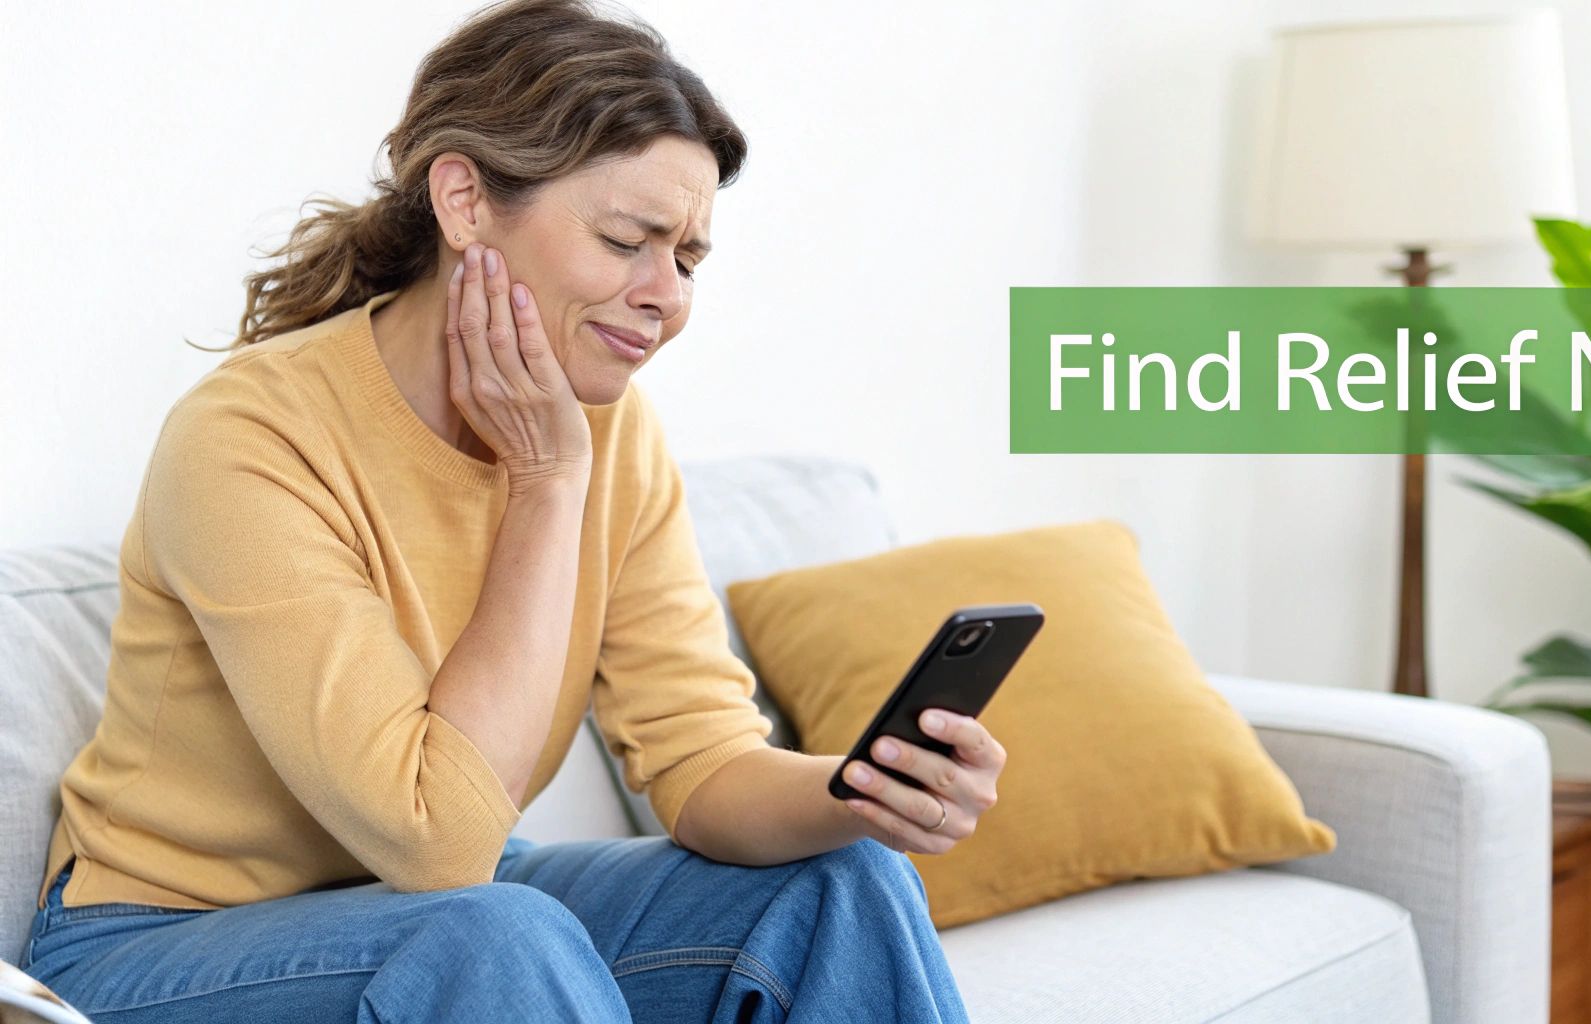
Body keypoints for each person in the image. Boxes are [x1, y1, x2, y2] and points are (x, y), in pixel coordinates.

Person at [19, 1, 1005, 1019]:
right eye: (629, 238)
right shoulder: (250, 437)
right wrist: (543, 487)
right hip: (159, 949)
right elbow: (434, 836)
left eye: (688, 259)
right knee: (494, 931)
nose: (664, 294)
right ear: (464, 200)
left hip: (443, 913)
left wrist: (859, 791)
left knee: (837, 881)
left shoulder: (614, 438)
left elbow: (702, 761)